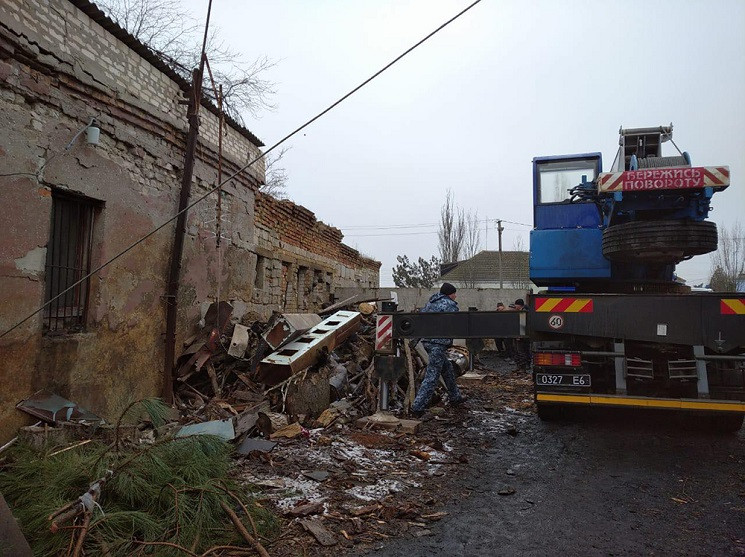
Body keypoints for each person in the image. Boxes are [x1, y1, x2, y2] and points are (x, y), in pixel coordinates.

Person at [411, 283, 467, 417]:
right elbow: (456, 322)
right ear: (449, 294)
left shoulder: (430, 303)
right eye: (454, 293)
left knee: (447, 369)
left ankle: (455, 397)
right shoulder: (449, 305)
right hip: (438, 343)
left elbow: (421, 321)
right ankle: (417, 407)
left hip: (427, 342)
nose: (455, 296)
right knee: (432, 376)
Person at [511, 298, 531, 369]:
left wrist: (520, 336)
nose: (515, 307)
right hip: (524, 335)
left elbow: (522, 325)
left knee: (521, 351)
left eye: (516, 305)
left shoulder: (523, 312)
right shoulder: (525, 311)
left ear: (519, 305)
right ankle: (525, 365)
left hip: (522, 336)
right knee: (525, 350)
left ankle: (522, 366)